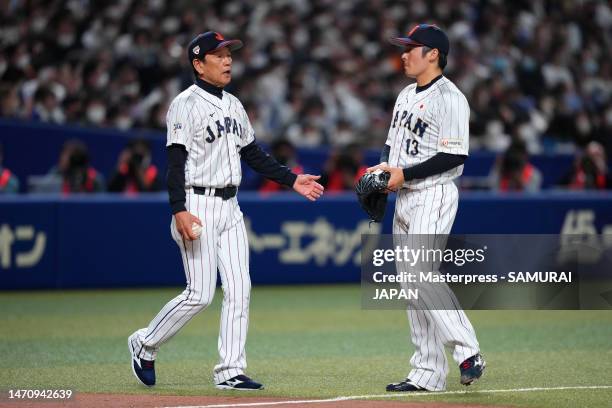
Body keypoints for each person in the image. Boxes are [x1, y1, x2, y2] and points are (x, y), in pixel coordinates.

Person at [128, 31, 324, 390]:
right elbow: (174, 163)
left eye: (229, 53)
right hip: (195, 201)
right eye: (218, 55)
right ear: (198, 64)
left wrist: (291, 179)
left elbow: (252, 154)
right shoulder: (184, 104)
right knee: (199, 294)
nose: (228, 60)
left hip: (230, 205)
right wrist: (178, 210)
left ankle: (230, 370)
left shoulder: (234, 104)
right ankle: (144, 343)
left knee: (240, 287)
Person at [366, 24, 485, 392]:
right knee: (411, 284)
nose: (404, 53)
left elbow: (454, 154)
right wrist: (384, 171)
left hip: (434, 192)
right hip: (405, 194)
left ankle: (468, 351)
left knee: (420, 272)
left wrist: (404, 173)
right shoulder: (404, 94)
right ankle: (428, 373)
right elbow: (390, 145)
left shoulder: (450, 98)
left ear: (433, 53)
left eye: (411, 47)